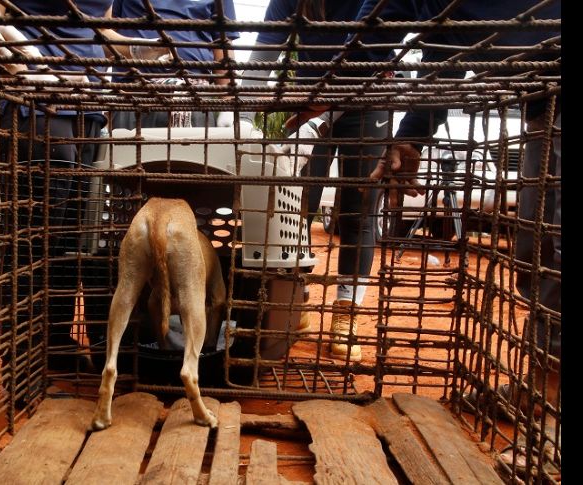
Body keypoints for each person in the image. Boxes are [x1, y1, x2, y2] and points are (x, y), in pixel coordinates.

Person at [348, 0, 560, 468]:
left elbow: (374, 33)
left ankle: (555, 424)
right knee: (537, 251)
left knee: (558, 255)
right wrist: (412, 133)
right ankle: (544, 390)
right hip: (545, 107)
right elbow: (439, 52)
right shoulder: (439, 12)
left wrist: (346, 73)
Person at [0, 0, 172, 406]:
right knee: (32, 241)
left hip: (86, 110)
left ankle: (53, 344)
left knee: (71, 241)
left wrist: (142, 49)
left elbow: (97, 28)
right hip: (32, 103)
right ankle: (21, 365)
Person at [239, 0, 389, 362]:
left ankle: (346, 313)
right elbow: (265, 49)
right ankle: (296, 299)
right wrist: (241, 113)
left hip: (367, 100)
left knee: (359, 211)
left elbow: (376, 46)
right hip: (307, 102)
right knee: (296, 207)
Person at [110, 0, 239, 129]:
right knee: (127, 148)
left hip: (195, 98)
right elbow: (105, 32)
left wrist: (228, 104)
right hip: (132, 95)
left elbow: (223, 45)